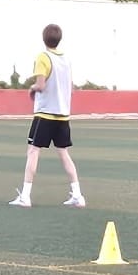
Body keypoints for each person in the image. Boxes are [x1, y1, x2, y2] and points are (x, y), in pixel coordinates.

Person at [10, 23, 85, 208]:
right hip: (62, 115)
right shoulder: (66, 60)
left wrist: (32, 88)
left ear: (44, 38)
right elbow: (71, 88)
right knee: (64, 154)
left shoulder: (43, 57)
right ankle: (78, 195)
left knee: (33, 151)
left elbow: (41, 85)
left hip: (45, 113)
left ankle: (25, 196)